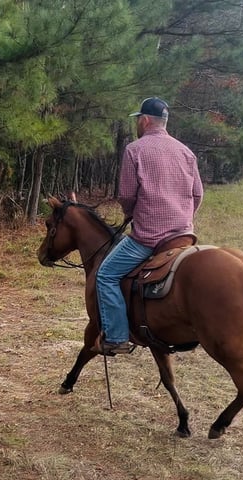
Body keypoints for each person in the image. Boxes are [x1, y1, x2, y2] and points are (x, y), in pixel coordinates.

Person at [92, 97, 204, 355]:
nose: (137, 125)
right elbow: (197, 194)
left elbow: (128, 195)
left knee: (106, 275)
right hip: (184, 236)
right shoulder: (186, 152)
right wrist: (184, 216)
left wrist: (131, 214)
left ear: (144, 120)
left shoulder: (135, 150)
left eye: (137, 121)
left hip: (149, 238)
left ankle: (117, 337)